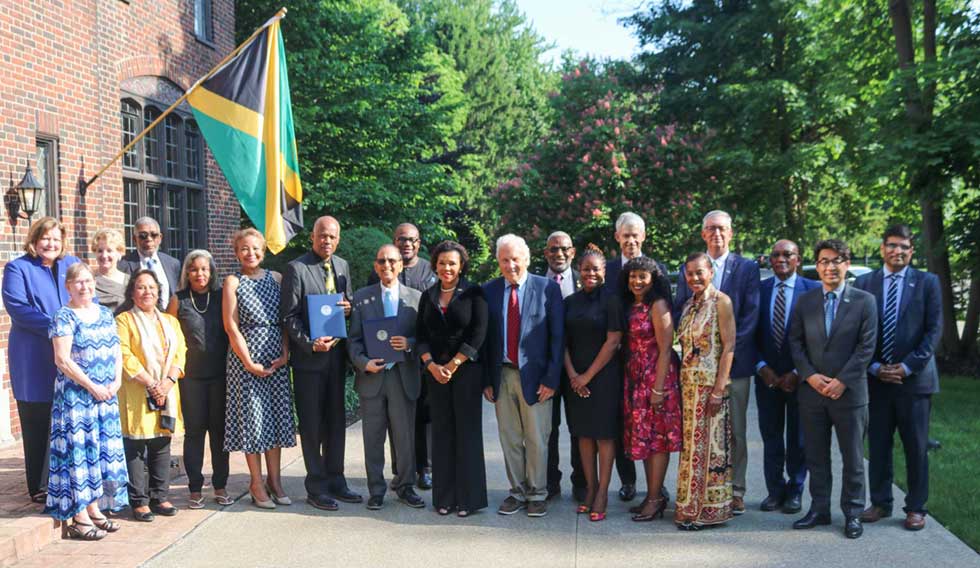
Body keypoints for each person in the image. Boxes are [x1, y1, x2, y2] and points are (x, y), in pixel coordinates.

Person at [855, 225, 942, 531]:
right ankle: (880, 502)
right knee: (878, 445)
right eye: (893, 245)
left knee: (916, 446)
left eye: (905, 247)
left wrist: (906, 367)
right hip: (876, 380)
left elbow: (933, 333)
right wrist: (875, 367)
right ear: (882, 248)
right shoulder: (864, 283)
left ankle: (916, 507)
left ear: (911, 251)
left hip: (915, 382)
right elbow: (857, 332)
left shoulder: (927, 282)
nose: (898, 251)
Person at [789, 239, 877, 539]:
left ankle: (853, 513)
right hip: (812, 393)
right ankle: (820, 509)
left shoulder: (865, 301)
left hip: (849, 394)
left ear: (846, 264)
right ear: (818, 265)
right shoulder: (805, 302)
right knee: (816, 455)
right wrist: (811, 377)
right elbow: (795, 344)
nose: (830, 266)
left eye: (837, 260)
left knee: (852, 457)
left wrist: (842, 381)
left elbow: (867, 348)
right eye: (824, 261)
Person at [674, 210, 759, 515]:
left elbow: (749, 318)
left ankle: (735, 490)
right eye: (710, 229)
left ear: (731, 232)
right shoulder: (692, 267)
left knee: (732, 433)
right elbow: (682, 315)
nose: (716, 233)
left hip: (733, 368)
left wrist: (723, 357)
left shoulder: (746, 268)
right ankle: (699, 492)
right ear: (703, 234)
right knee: (698, 437)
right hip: (696, 374)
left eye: (722, 228)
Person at [280, 215, 360, 510]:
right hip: (309, 361)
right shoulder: (296, 268)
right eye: (322, 235)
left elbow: (347, 303)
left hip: (336, 358)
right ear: (313, 237)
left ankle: (336, 479)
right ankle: (316, 486)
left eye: (333, 237)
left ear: (338, 239)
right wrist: (309, 343)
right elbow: (288, 316)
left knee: (336, 421)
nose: (327, 241)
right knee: (312, 424)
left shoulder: (342, 266)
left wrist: (349, 308)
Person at [2, 216, 82, 503]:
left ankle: (68, 478)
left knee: (67, 417)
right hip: (33, 357)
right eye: (46, 238)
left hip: (72, 354)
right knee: (38, 418)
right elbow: (18, 308)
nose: (51, 244)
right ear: (34, 240)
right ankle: (39, 484)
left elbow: (87, 295)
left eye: (56, 239)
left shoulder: (70, 264)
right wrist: (58, 327)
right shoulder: (18, 268)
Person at [45, 263, 128, 539]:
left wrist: (116, 382)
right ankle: (79, 517)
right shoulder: (63, 316)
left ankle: (94, 509)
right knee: (80, 453)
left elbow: (117, 350)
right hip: (77, 398)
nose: (85, 286)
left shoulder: (105, 313)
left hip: (105, 396)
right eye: (78, 282)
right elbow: (63, 360)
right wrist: (92, 386)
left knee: (98, 452)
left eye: (89, 281)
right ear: (68, 286)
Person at [483, 234, 564, 518]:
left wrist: (552, 379)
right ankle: (517, 492)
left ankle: (538, 493)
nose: (510, 265)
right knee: (510, 438)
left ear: (527, 259)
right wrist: (487, 381)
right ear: (498, 262)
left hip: (537, 377)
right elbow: (485, 340)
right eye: (504, 260)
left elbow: (557, 338)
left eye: (515, 259)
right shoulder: (489, 291)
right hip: (502, 376)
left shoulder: (547, 289)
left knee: (537, 438)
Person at [223, 229, 296, 509]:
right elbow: (231, 326)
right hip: (246, 361)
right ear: (236, 252)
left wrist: (285, 352)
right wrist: (248, 362)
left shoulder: (276, 279)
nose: (250, 253)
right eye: (244, 249)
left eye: (255, 249)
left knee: (275, 420)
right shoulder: (233, 282)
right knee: (253, 423)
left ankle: (275, 481)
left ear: (263, 252)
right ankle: (256, 482)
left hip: (275, 358)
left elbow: (284, 319)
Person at [348, 244, 424, 510]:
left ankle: (405, 486)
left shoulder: (416, 298)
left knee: (405, 437)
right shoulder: (362, 297)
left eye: (392, 260)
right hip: (373, 378)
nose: (387, 265)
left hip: (403, 377)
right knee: (373, 437)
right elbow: (354, 340)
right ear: (375, 265)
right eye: (382, 261)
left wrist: (410, 343)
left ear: (401, 265)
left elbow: (425, 338)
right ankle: (376, 489)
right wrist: (364, 362)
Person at [602, 212, 671, 502]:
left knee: (654, 429)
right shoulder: (606, 271)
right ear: (617, 237)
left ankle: (656, 487)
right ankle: (628, 481)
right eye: (625, 235)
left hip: (651, 362)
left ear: (643, 237)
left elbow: (668, 322)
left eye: (635, 235)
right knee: (624, 425)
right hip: (618, 361)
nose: (630, 240)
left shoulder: (658, 270)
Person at [416, 241, 489, 517]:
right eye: (442, 262)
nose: (447, 268)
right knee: (443, 435)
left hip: (466, 372)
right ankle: (444, 498)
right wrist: (432, 366)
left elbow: (479, 334)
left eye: (452, 263)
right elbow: (421, 336)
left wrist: (454, 363)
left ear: (461, 266)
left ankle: (468, 500)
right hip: (436, 375)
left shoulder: (474, 293)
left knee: (467, 435)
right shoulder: (428, 295)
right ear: (435, 264)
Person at [367, 223, 437, 491]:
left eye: (411, 240)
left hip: (421, 360)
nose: (406, 244)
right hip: (388, 363)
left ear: (419, 243)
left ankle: (426, 468)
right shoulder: (379, 273)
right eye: (401, 239)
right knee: (398, 420)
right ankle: (401, 471)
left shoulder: (430, 270)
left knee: (424, 417)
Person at [116, 270, 187, 522]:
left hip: (166, 391)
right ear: (132, 293)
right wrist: (150, 383)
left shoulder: (171, 321)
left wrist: (167, 382)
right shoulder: (124, 320)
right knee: (136, 445)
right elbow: (124, 354)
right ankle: (139, 500)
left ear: (159, 291)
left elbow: (181, 352)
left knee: (161, 443)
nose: (147, 292)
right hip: (137, 390)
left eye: (152, 287)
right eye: (141, 287)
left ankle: (160, 496)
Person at [754, 240, 820, 514]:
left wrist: (797, 372)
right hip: (766, 378)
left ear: (798, 260)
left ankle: (795, 489)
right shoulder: (759, 290)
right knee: (771, 436)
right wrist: (761, 367)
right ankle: (774, 491)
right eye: (775, 255)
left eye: (787, 254)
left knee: (798, 437)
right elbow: (749, 333)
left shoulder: (813, 291)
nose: (780, 259)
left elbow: (818, 338)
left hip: (800, 379)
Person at [675, 252, 737, 530]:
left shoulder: (721, 302)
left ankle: (707, 511)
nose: (695, 278)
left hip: (710, 387)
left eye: (700, 272)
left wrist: (719, 389)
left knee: (710, 449)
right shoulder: (689, 304)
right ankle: (688, 505)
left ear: (711, 272)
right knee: (691, 449)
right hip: (688, 387)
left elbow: (729, 346)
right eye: (690, 273)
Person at [167, 250, 233, 509]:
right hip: (190, 377)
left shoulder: (220, 297)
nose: (199, 274)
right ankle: (195, 488)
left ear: (212, 271)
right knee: (194, 433)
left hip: (220, 376)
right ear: (187, 272)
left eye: (204, 269)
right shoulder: (178, 299)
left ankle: (220, 485)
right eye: (194, 269)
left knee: (219, 433)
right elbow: (168, 337)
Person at [562, 245, 623, 522]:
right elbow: (561, 343)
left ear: (604, 271)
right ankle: (589, 488)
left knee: (604, 435)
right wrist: (574, 375)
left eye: (595, 269)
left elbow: (613, 342)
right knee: (583, 435)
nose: (590, 273)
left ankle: (602, 493)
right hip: (575, 380)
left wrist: (586, 376)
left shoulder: (612, 300)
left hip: (604, 378)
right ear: (579, 270)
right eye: (586, 268)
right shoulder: (570, 302)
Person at [621, 257, 682, 523]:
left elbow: (666, 348)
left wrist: (658, 388)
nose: (637, 281)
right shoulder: (632, 304)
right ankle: (651, 495)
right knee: (645, 441)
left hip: (656, 379)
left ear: (653, 279)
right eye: (633, 276)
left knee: (658, 440)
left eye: (643, 277)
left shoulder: (658, 305)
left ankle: (656, 499)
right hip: (635, 378)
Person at [542, 230, 586, 502]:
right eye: (553, 249)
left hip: (578, 371)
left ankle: (581, 482)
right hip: (546, 369)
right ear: (545, 253)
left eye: (564, 249)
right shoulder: (534, 283)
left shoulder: (587, 280)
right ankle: (550, 482)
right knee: (548, 428)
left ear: (573, 252)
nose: (559, 254)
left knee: (578, 427)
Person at [117, 217, 180, 309]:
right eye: (143, 235)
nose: (149, 239)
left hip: (167, 320)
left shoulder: (173, 264)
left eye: (154, 235)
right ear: (135, 239)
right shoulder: (123, 265)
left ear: (160, 238)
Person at [91, 228, 130, 312]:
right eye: (100, 251)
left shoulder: (130, 281)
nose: (104, 255)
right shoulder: (89, 280)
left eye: (109, 250)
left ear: (119, 253)